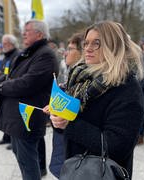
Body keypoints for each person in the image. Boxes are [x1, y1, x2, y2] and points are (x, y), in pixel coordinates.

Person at [49, 21, 144, 178]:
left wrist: (70, 124)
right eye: (86, 43)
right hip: (75, 168)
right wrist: (59, 119)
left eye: (97, 43)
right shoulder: (81, 78)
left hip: (103, 173)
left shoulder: (127, 88)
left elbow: (117, 146)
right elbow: (69, 124)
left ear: (113, 46)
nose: (88, 48)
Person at [0, 19, 58, 180]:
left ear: (39, 34)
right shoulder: (31, 52)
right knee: (22, 158)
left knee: (28, 163)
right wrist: (0, 82)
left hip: (26, 117)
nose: (23, 34)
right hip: (17, 117)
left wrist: (1, 87)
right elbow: (12, 75)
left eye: (27, 30)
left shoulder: (45, 55)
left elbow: (28, 83)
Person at [44, 32, 84, 178]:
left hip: (77, 154)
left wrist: (64, 117)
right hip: (63, 143)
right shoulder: (71, 73)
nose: (66, 53)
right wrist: (54, 108)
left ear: (83, 53)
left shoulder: (86, 81)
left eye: (71, 48)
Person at [0, 34, 20, 149]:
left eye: (5, 44)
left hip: (11, 88)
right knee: (5, 115)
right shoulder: (7, 55)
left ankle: (12, 140)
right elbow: (3, 68)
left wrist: (1, 76)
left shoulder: (17, 55)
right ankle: (6, 137)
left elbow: (13, 72)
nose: (3, 46)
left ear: (12, 44)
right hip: (3, 87)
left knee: (12, 117)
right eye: (2, 43)